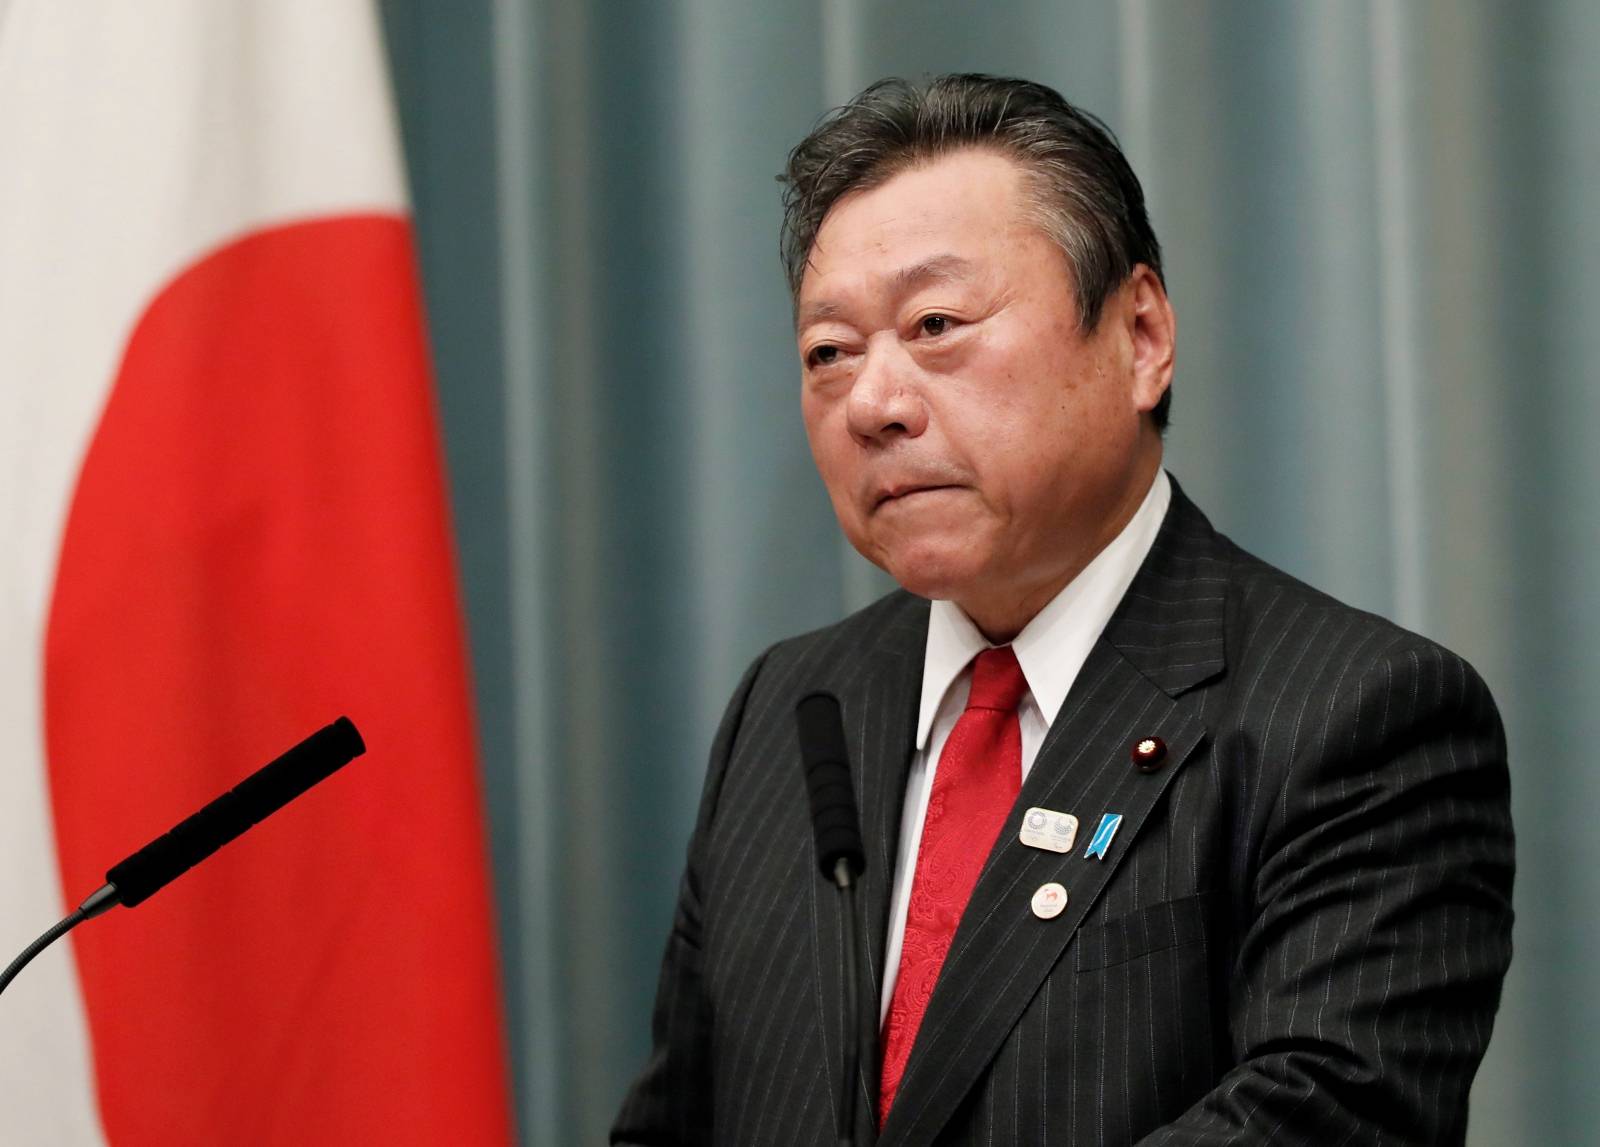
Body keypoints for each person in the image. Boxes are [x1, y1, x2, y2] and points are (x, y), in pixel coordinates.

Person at [611, 74, 1514, 1146]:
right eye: (829, 352)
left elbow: (1329, 1116)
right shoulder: (791, 705)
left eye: (936, 323)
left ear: (1138, 335)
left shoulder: (1356, 713)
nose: (873, 404)